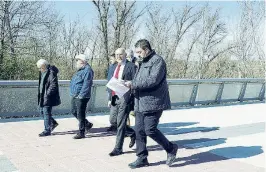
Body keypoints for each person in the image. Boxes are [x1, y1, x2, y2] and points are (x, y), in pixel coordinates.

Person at [127, 39, 178, 169]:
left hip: (154, 102)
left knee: (150, 129)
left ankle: (171, 148)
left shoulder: (157, 61)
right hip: (140, 102)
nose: (137, 54)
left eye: (139, 51)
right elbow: (139, 79)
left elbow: (153, 80)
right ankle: (142, 158)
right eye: (136, 52)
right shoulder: (141, 62)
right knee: (139, 131)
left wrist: (133, 84)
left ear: (146, 49)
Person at [108, 48, 136, 156]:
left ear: (125, 55)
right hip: (115, 96)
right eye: (116, 54)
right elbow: (111, 83)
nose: (118, 56)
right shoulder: (114, 66)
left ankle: (118, 148)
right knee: (113, 120)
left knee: (121, 122)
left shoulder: (131, 66)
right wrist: (110, 98)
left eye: (120, 54)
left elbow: (136, 81)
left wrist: (129, 83)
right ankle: (131, 133)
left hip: (125, 96)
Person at [70, 54, 94, 139]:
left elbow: (87, 84)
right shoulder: (80, 70)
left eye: (78, 61)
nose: (76, 62)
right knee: (73, 111)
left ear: (82, 61)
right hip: (75, 95)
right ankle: (87, 124)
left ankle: (81, 132)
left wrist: (81, 95)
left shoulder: (88, 70)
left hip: (82, 96)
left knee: (80, 114)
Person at [37, 59, 61, 137]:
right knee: (41, 112)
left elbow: (53, 85)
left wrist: (47, 94)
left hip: (48, 97)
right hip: (42, 96)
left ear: (44, 66)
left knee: (46, 113)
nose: (40, 69)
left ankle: (47, 130)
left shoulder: (51, 73)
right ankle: (52, 123)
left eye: (41, 68)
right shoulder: (43, 72)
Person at [106, 53, 118, 132]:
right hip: (110, 89)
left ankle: (124, 128)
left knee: (114, 109)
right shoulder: (111, 66)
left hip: (114, 92)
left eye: (111, 59)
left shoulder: (117, 67)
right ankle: (114, 125)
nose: (110, 60)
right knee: (112, 109)